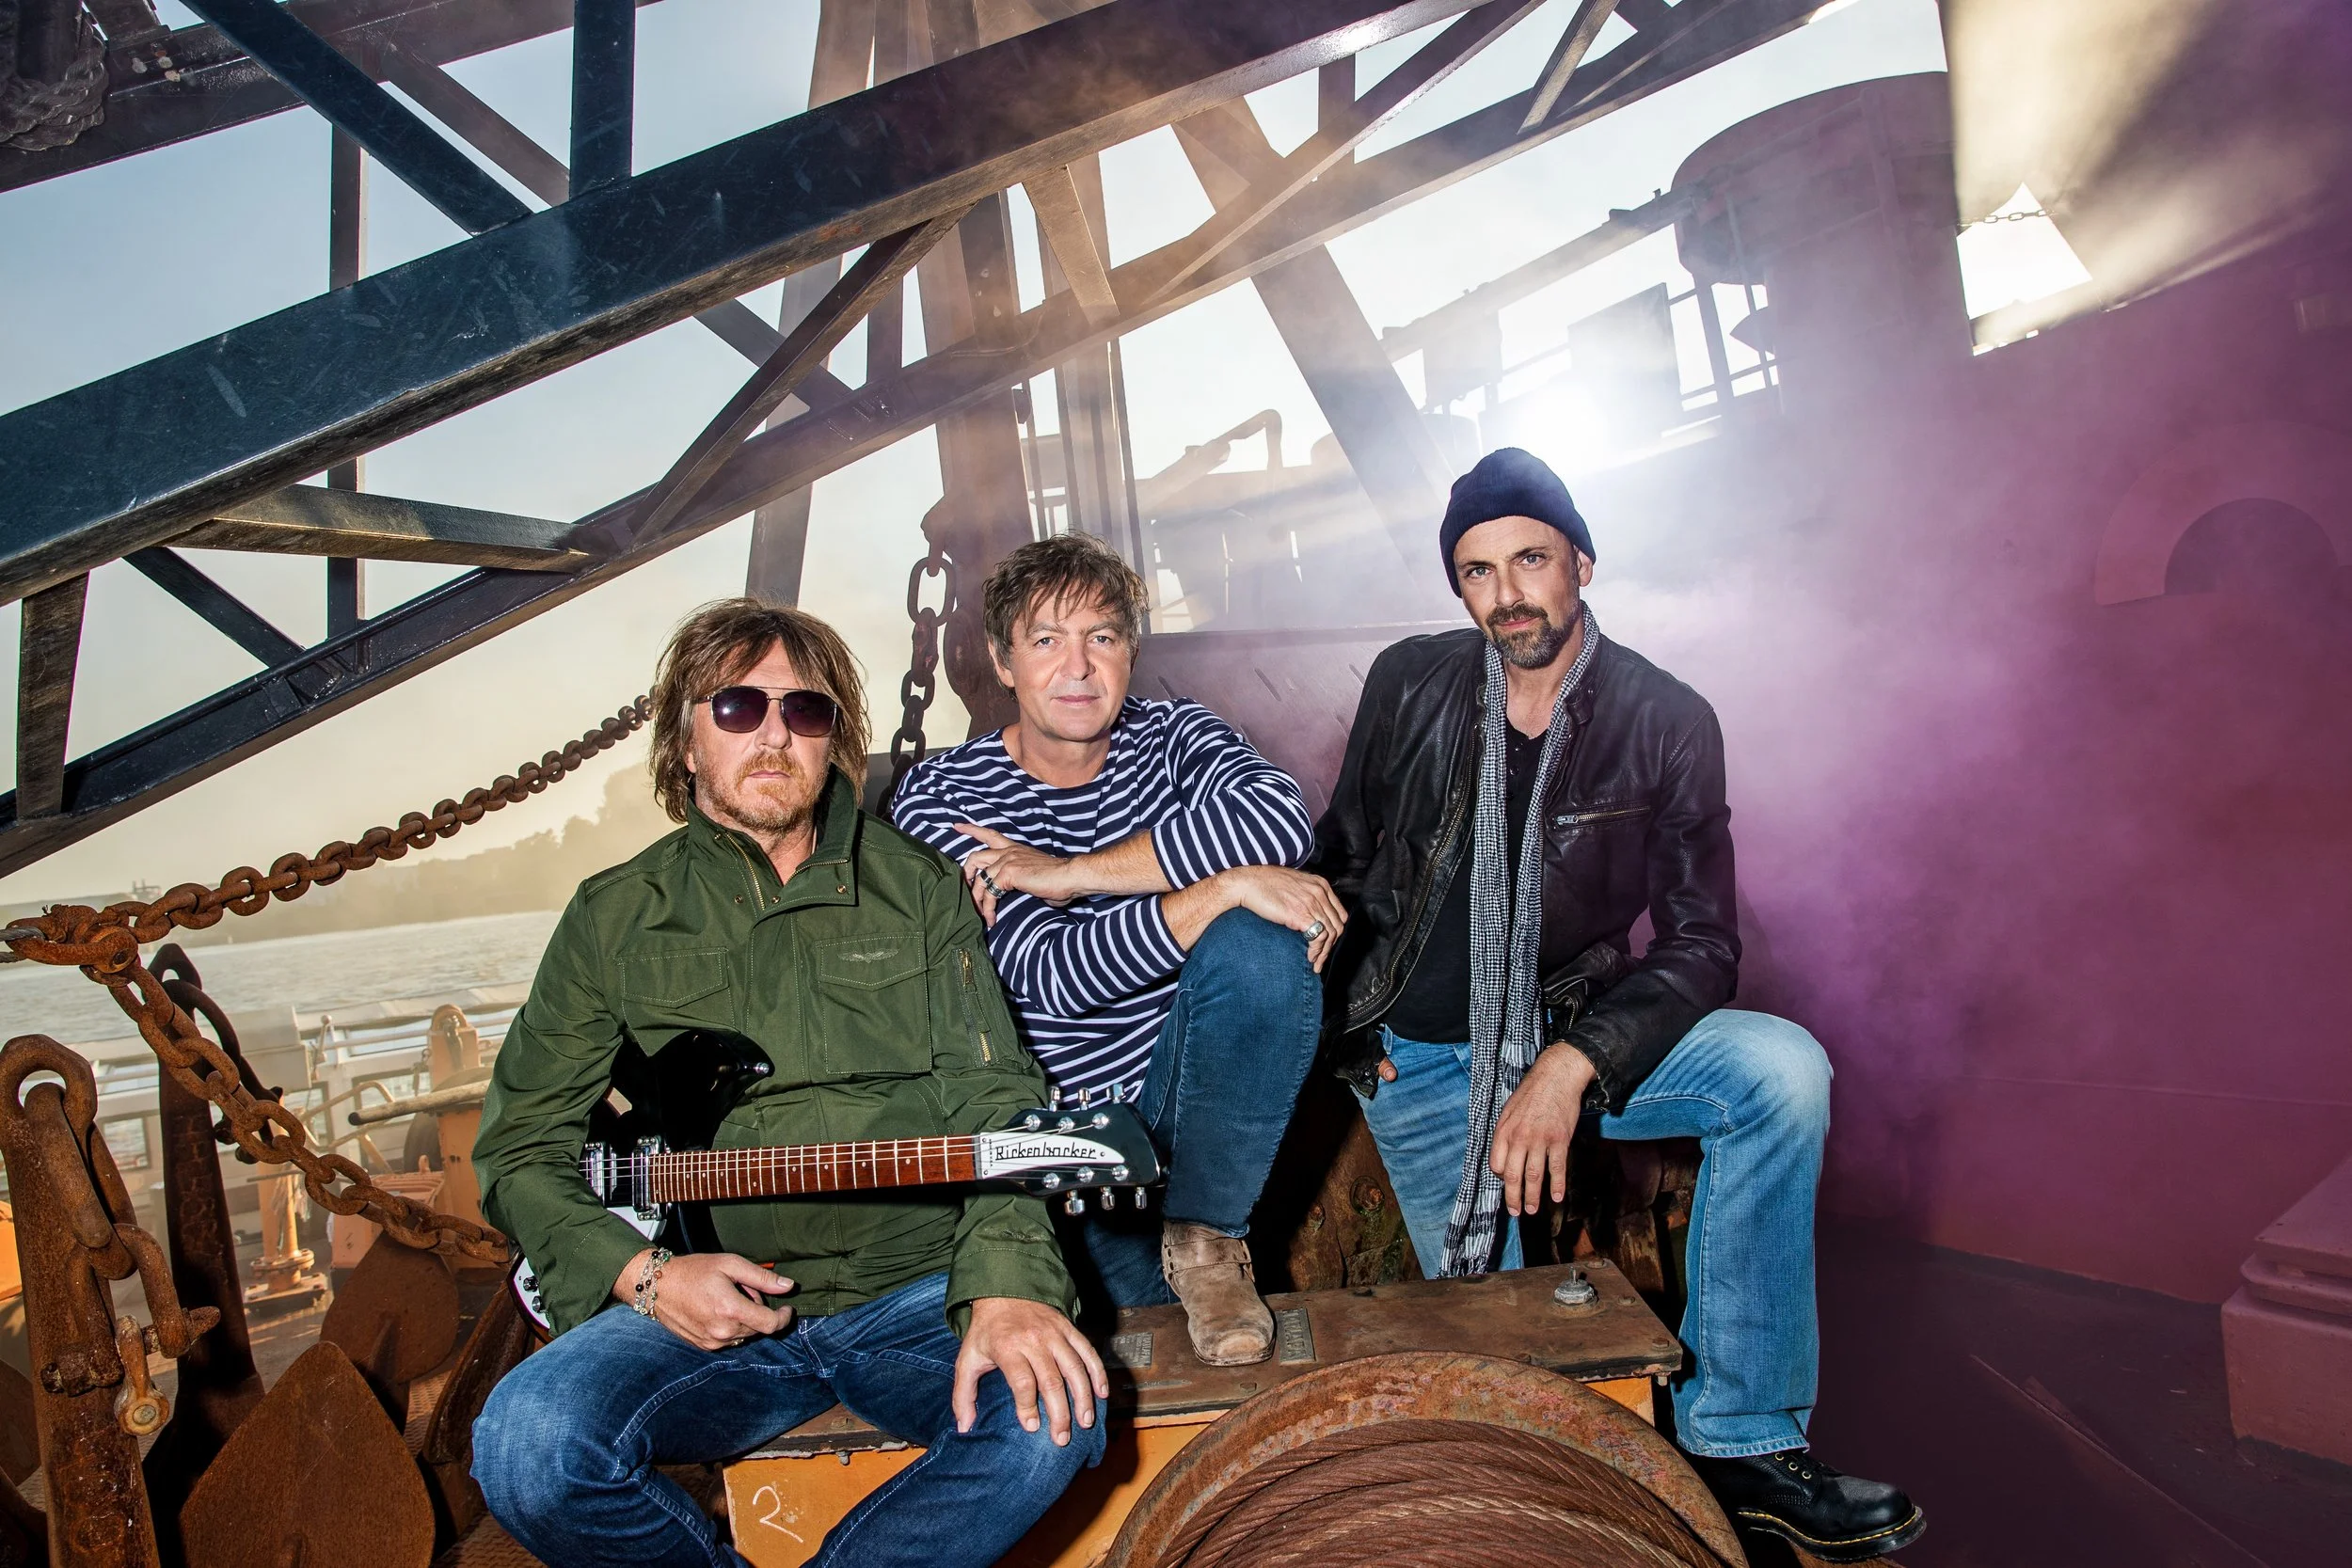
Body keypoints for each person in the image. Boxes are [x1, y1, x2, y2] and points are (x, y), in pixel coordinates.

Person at [1306, 449, 1925, 1563]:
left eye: (1530, 559)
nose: (1507, 594)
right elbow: (1340, 860)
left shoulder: (1666, 717)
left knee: (1779, 1071)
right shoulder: (1409, 680)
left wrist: (1572, 1060)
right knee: (1514, 1398)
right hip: (1419, 1052)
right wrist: (1345, 1025)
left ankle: (1741, 1437)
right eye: (1478, 570)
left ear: (1581, 563)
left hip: (1568, 1026)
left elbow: (1701, 943)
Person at [469, 600, 1104, 1568]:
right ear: (684, 740)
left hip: (916, 1294)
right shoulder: (612, 916)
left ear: (832, 736)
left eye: (804, 710)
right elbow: (521, 1147)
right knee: (528, 1444)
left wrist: (1008, 1287)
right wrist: (647, 1277)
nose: (773, 734)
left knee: (1051, 1419)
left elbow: (995, 1103)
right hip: (710, 1318)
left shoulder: (920, 887)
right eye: (737, 707)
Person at [893, 534, 1334, 1368]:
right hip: (1060, 1150)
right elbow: (1054, 974)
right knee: (1135, 1378)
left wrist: (1073, 874)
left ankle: (1206, 1237)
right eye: (1046, 640)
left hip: (1186, 1116)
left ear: (1131, 650)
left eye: (1101, 637)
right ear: (1003, 660)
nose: (1078, 667)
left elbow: (1280, 819)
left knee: (1260, 946)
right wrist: (1223, 885)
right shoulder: (944, 797)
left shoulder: (1173, 736)